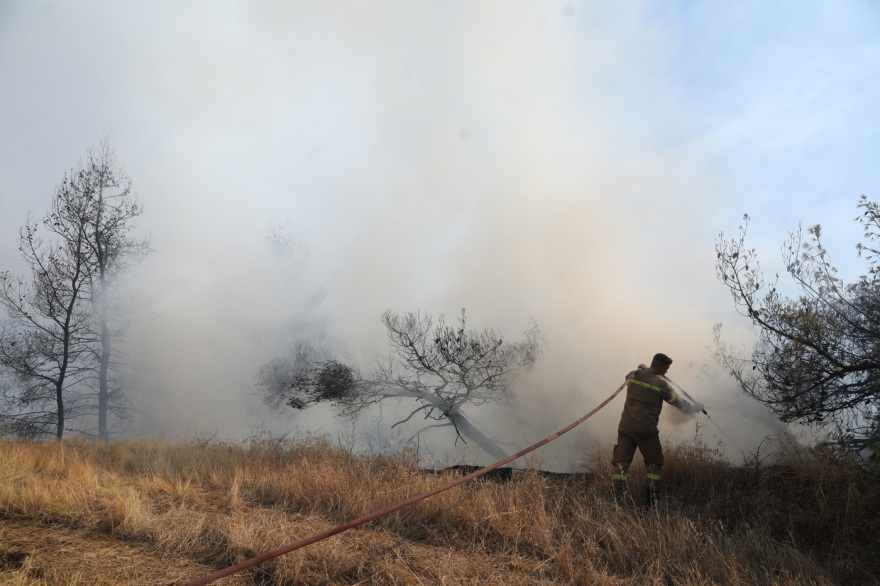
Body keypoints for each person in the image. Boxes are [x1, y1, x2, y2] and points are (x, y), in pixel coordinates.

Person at [611, 353, 704, 509]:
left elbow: (634, 375)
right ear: (660, 366)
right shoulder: (662, 384)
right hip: (646, 430)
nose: (666, 372)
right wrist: (694, 408)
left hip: (626, 427)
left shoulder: (634, 375)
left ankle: (617, 499)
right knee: (654, 464)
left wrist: (644, 370)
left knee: (621, 463)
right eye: (666, 369)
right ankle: (652, 501)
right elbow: (678, 402)